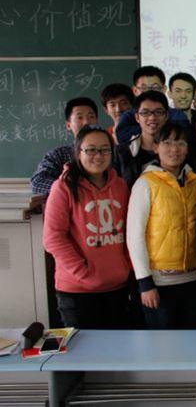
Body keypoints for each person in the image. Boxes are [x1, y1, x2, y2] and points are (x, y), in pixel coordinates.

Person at [43, 125, 131, 329]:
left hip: (118, 287)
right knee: (83, 349)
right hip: (77, 292)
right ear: (78, 152)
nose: (98, 156)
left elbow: (129, 231)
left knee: (118, 347)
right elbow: (53, 238)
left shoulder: (120, 186)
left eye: (105, 150)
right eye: (91, 150)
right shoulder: (63, 187)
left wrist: (126, 267)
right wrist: (84, 274)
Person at [126, 123, 196, 329]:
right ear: (156, 147)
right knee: (163, 343)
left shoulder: (195, 181)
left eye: (180, 143)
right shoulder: (145, 183)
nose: (174, 149)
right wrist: (145, 283)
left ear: (187, 148)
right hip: (160, 283)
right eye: (167, 143)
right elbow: (134, 236)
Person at [31, 97, 99, 195]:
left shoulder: (109, 151)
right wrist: (72, 188)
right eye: (80, 117)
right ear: (68, 125)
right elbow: (38, 182)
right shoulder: (59, 155)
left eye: (91, 117)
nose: (86, 122)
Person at [115, 66, 189, 144]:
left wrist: (146, 128)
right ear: (135, 91)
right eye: (143, 88)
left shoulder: (177, 115)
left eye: (155, 87)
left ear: (164, 89)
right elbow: (122, 137)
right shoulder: (128, 116)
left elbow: (182, 137)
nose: (149, 92)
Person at [114, 91, 170, 188]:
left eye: (158, 112)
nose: (152, 117)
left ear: (166, 116)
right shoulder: (122, 153)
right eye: (145, 113)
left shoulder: (176, 150)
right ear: (137, 117)